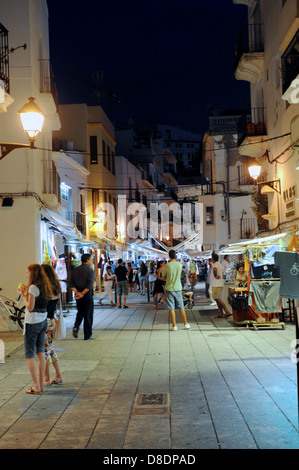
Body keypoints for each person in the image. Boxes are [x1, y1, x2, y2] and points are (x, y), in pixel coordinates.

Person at [18, 263, 52, 394]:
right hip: (43, 321)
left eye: (28, 273)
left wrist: (23, 296)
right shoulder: (45, 286)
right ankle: (42, 385)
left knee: (29, 355)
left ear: (33, 274)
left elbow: (30, 307)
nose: (26, 275)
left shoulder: (33, 287)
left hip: (32, 323)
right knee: (40, 352)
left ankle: (36, 386)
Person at [42, 264, 64, 386]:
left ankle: (47, 378)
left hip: (44, 322)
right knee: (49, 349)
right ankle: (57, 375)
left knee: (45, 350)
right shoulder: (56, 287)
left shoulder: (46, 289)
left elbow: (43, 308)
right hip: (50, 321)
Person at [161, 250, 190, 331]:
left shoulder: (167, 266)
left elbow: (163, 277)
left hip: (169, 288)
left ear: (169, 256)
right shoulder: (179, 265)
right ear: (176, 256)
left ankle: (174, 325)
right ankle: (186, 324)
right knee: (181, 307)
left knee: (171, 307)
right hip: (178, 287)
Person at [70, 253, 95, 340]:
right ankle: (87, 335)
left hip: (78, 295)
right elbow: (90, 285)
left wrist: (78, 293)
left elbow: (71, 284)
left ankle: (76, 327)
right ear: (87, 260)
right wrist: (83, 293)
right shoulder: (90, 270)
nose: (91, 261)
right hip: (87, 295)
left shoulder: (75, 270)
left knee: (80, 312)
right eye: (91, 259)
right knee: (88, 314)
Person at [211, 253, 231, 318]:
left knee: (217, 298)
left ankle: (227, 311)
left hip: (216, 284)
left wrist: (215, 275)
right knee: (216, 298)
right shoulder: (218, 264)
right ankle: (221, 313)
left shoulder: (216, 264)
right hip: (218, 283)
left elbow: (215, 269)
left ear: (213, 258)